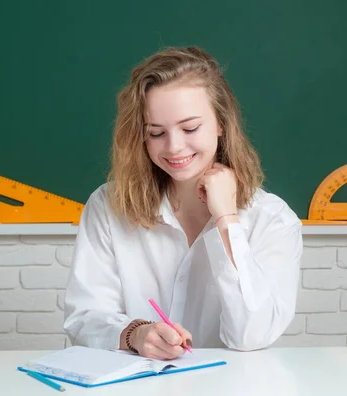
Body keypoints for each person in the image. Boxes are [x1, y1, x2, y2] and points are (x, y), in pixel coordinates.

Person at [63, 46, 303, 360]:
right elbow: (84, 318)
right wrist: (137, 334)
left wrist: (226, 217)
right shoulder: (108, 206)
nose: (174, 147)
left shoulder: (273, 220)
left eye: (190, 128)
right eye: (156, 132)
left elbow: (251, 335)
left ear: (221, 124)